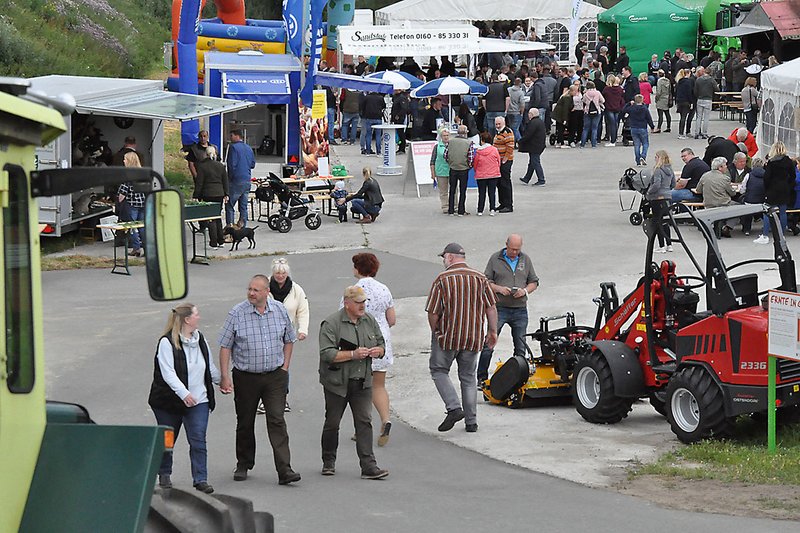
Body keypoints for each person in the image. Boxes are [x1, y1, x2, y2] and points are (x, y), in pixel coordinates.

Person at [218, 275, 300, 485]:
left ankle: (285, 469)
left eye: (256, 290)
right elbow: (225, 346)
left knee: (277, 420)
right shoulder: (237, 313)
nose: (251, 293)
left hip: (274, 376)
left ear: (266, 292)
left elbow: (289, 339)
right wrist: (225, 376)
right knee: (245, 421)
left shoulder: (279, 310)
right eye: (249, 289)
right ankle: (244, 463)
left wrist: (285, 367)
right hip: (246, 377)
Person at [425, 243, 498, 433]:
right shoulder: (480, 278)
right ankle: (471, 422)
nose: (443, 261)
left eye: (444, 258)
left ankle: (454, 407)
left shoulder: (442, 279)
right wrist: (492, 331)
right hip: (472, 337)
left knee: (439, 370)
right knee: (468, 377)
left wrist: (436, 332)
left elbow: (433, 311)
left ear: (450, 257)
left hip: (448, 336)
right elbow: (491, 307)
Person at [148, 303, 220, 493]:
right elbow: (168, 373)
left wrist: (222, 381)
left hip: (199, 401)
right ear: (187, 319)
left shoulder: (200, 339)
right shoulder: (166, 342)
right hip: (168, 403)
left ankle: (200, 479)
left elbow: (208, 365)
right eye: (196, 314)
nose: (199, 317)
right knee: (168, 439)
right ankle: (164, 473)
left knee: (198, 439)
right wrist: (184, 394)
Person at [318, 286, 389, 479]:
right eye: (358, 302)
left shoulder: (369, 321)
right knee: (332, 423)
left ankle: (369, 466)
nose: (362, 306)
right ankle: (328, 461)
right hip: (337, 383)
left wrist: (378, 351)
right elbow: (326, 354)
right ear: (347, 303)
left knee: (364, 422)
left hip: (363, 381)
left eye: (364, 302)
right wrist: (352, 354)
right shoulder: (332, 323)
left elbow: (382, 343)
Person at [347, 253, 396, 447]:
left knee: (359, 389)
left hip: (360, 342)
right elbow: (391, 319)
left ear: (358, 268)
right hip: (381, 343)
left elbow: (346, 316)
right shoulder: (384, 289)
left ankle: (361, 429)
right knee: (378, 386)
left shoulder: (354, 291)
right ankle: (385, 419)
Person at [477, 235, 539, 385]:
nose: (515, 252)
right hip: (499, 308)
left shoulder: (525, 259)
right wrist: (498, 289)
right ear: (506, 245)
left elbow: (534, 282)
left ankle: (519, 378)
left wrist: (524, 291)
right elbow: (486, 281)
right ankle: (481, 378)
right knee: (490, 342)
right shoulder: (495, 259)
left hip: (520, 310)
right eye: (512, 249)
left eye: (518, 249)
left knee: (520, 345)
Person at [268, 257, 309, 413]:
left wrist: (302, 330)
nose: (280, 276)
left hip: (286, 335)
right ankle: (267, 400)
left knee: (283, 365)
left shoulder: (296, 290)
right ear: (273, 273)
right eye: (277, 273)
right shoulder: (265, 287)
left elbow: (303, 310)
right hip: (267, 332)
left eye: (283, 273)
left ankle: (282, 398)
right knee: (269, 365)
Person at [755, 141, 795, 245]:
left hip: (773, 189)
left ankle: (765, 235)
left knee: (768, 212)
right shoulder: (789, 161)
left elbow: (766, 178)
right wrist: (788, 186)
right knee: (782, 212)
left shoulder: (771, 162)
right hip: (785, 188)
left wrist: (767, 189)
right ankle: (781, 235)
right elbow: (793, 176)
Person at [193, 146, 228, 249]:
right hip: (219, 193)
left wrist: (196, 195)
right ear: (215, 153)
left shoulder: (202, 166)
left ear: (206, 154)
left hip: (208, 194)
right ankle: (221, 240)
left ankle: (213, 242)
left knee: (211, 219)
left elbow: (199, 183)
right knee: (218, 217)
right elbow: (225, 180)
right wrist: (226, 193)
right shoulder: (220, 166)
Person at [694, 156, 737, 237]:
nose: (726, 167)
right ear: (720, 167)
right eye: (725, 165)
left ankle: (720, 227)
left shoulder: (705, 176)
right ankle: (728, 227)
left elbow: (698, 190)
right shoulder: (725, 178)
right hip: (723, 204)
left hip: (708, 204)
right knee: (739, 208)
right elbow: (732, 193)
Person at [117, 151, 146, 257]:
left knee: (132, 227)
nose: (123, 161)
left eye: (125, 159)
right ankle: (147, 249)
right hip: (143, 203)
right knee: (142, 227)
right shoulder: (143, 173)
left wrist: (118, 201)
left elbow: (122, 193)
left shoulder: (127, 175)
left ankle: (136, 248)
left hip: (132, 204)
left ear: (129, 161)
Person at [647, 150, 677, 253]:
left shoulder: (658, 170)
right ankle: (669, 244)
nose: (654, 159)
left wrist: (649, 192)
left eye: (656, 157)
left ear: (659, 158)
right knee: (665, 222)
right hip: (667, 197)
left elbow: (656, 184)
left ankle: (661, 246)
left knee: (658, 222)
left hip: (657, 197)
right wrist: (667, 190)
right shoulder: (670, 169)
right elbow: (673, 183)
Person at [226, 129, 255, 227]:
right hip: (247, 180)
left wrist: (229, 179)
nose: (230, 138)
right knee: (243, 206)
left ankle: (230, 228)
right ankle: (243, 227)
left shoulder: (233, 148)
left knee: (230, 205)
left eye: (231, 135)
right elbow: (252, 164)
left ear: (237, 136)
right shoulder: (249, 148)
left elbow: (231, 165)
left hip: (236, 180)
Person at [445, 125, 476, 216]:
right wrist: (469, 166)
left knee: (452, 190)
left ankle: (451, 210)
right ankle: (461, 210)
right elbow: (470, 157)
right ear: (466, 132)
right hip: (463, 169)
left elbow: (445, 155)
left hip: (453, 168)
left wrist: (451, 163)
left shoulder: (450, 142)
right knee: (463, 190)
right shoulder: (469, 143)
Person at [620, 94, 654, 166]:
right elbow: (649, 118)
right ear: (642, 100)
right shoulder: (644, 108)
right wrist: (652, 126)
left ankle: (638, 160)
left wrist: (629, 103)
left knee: (637, 144)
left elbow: (623, 110)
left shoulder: (631, 108)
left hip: (633, 128)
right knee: (645, 143)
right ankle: (643, 156)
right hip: (642, 127)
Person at [473, 131, 501, 215]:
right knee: (492, 192)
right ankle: (492, 209)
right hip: (493, 174)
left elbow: (475, 163)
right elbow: (498, 161)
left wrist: (477, 170)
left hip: (481, 175)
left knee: (481, 193)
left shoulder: (478, 151)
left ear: (482, 140)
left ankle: (480, 210)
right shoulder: (494, 150)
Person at [493, 116, 516, 213]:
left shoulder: (508, 132)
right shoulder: (498, 132)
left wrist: (504, 160)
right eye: (496, 124)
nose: (498, 126)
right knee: (499, 183)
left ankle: (508, 205)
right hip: (498, 161)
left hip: (505, 161)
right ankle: (502, 203)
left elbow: (510, 147)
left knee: (505, 182)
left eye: (499, 124)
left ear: (504, 123)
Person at [518, 108, 546, 186]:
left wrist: (520, 141)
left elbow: (528, 135)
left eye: (529, 113)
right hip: (539, 145)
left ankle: (541, 179)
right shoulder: (539, 122)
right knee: (532, 163)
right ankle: (527, 178)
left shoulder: (533, 123)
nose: (528, 115)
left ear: (532, 114)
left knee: (535, 162)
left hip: (535, 146)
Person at [740, 157, 766, 235]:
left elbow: (742, 190)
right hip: (762, 201)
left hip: (750, 201)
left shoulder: (748, 175)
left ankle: (746, 229)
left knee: (745, 207)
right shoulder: (766, 175)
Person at [693, 66, 718, 139]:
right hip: (708, 99)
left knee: (698, 117)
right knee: (706, 117)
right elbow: (716, 89)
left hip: (700, 99)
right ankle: (704, 133)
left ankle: (697, 133)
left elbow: (695, 91)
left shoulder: (698, 79)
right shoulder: (711, 80)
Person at [430, 128, 451, 214]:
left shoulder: (452, 145)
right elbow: (432, 160)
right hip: (441, 171)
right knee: (443, 191)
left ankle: (455, 205)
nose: (446, 137)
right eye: (444, 136)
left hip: (451, 170)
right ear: (441, 137)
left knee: (454, 190)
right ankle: (445, 206)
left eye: (447, 135)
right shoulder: (437, 147)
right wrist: (433, 173)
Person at [581, 81, 605, 148]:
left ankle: (582, 144)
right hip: (597, 111)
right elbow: (603, 100)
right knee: (594, 128)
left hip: (587, 111)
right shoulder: (597, 93)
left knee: (585, 128)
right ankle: (594, 144)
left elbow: (583, 101)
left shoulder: (586, 94)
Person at [602, 75, 625, 146]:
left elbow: (603, 97)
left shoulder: (606, 89)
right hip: (617, 108)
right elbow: (622, 97)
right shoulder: (620, 89)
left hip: (609, 108)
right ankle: (614, 138)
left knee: (612, 124)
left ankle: (612, 141)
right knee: (616, 123)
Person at [674, 69, 693, 140]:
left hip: (679, 101)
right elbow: (689, 93)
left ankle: (680, 132)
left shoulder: (679, 81)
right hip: (685, 101)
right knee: (684, 118)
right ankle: (681, 133)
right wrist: (691, 102)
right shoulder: (688, 82)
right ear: (687, 73)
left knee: (682, 117)